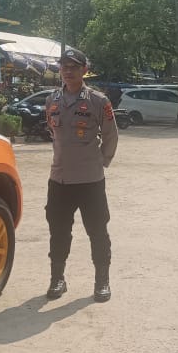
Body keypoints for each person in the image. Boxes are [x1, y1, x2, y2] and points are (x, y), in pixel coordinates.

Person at [44, 47, 119, 303]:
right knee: (58, 232)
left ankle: (102, 281)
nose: (68, 71)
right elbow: (54, 133)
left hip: (90, 181)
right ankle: (57, 279)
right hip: (59, 179)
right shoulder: (52, 100)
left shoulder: (99, 101)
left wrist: (101, 161)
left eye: (74, 67)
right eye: (64, 66)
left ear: (84, 70)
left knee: (97, 231)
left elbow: (110, 135)